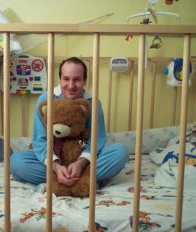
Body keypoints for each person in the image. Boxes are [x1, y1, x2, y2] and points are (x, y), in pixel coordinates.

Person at [11, 57, 129, 187]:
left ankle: (65, 179)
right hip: (53, 160)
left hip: (82, 159)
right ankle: (78, 180)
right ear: (60, 79)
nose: (71, 85)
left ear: (85, 81)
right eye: (66, 79)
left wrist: (80, 163)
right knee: (17, 162)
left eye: (77, 79)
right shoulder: (45, 100)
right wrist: (56, 166)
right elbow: (39, 140)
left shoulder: (92, 103)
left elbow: (97, 138)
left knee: (120, 152)